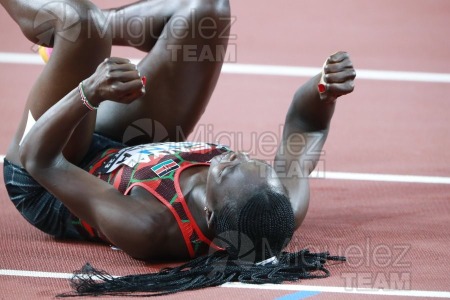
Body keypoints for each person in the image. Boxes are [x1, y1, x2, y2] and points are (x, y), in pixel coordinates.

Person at [1, 0, 356, 296]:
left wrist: (89, 91)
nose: (234, 155)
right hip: (129, 148)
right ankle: (77, 44)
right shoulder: (276, 203)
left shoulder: (150, 227)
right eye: (251, 159)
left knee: (79, 22)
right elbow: (305, 126)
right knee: (207, 11)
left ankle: (73, 42)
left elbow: (39, 158)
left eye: (228, 167)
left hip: (53, 172)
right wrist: (324, 88)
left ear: (213, 215)